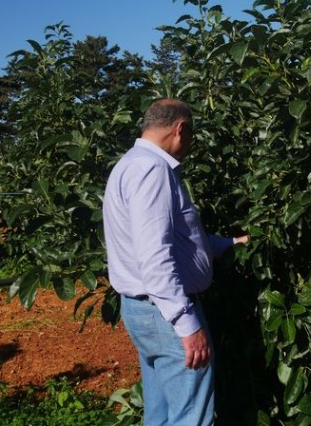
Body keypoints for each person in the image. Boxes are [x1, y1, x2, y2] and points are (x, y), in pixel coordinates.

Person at [102, 98, 249, 425]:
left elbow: (177, 239)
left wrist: (231, 243)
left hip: (143, 309)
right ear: (181, 129)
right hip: (166, 313)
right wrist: (187, 324)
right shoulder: (153, 171)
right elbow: (155, 258)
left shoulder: (130, 164)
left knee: (161, 412)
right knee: (189, 417)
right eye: (192, 134)